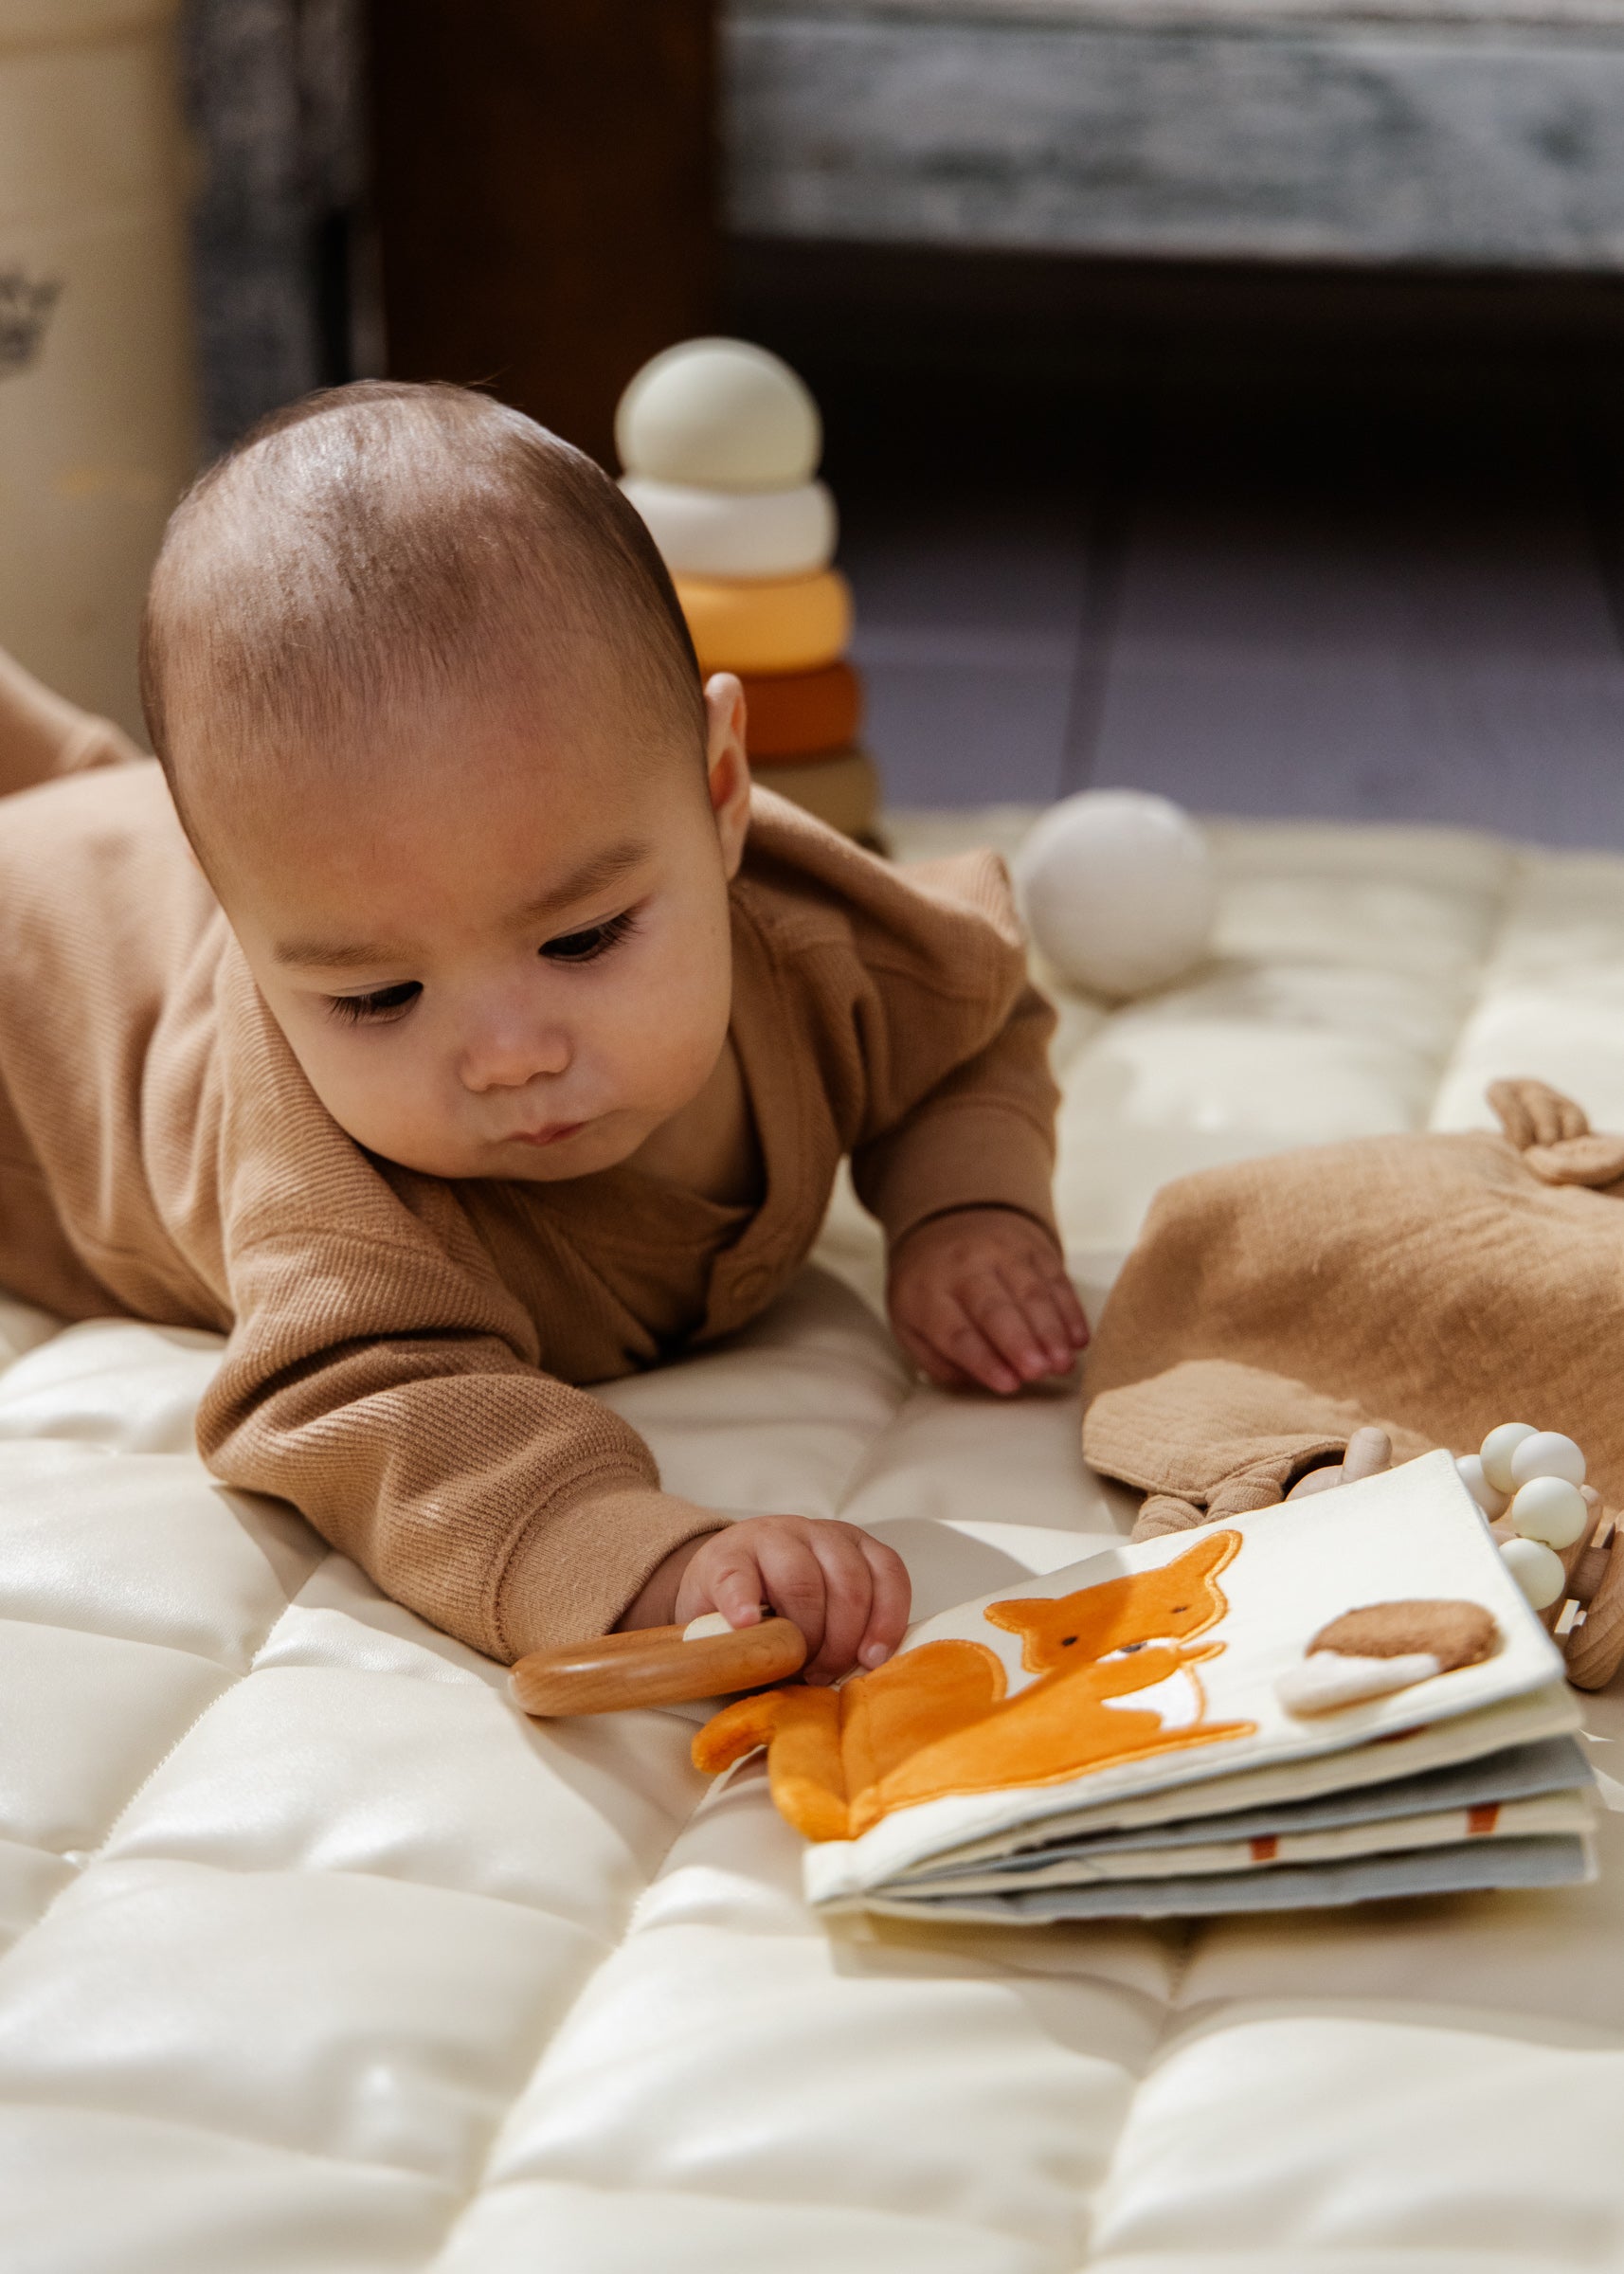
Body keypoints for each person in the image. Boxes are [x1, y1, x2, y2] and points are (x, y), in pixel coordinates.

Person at [0, 381, 1088, 1685]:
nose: (507, 1053)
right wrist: (637, 1557)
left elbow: (969, 1020)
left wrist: (969, 1206)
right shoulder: (337, 1190)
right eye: (375, 998)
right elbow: (379, 1410)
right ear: (242, 920)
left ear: (722, 791)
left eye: (580, 941)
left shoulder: (817, 936)